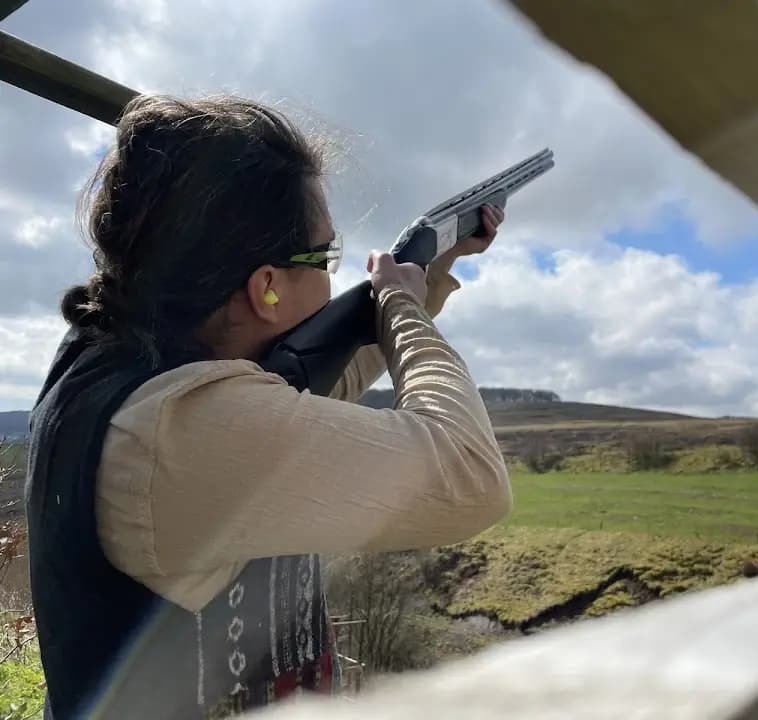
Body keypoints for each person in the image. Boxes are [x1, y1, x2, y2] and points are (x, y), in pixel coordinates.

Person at [24, 95, 512, 719]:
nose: (337, 278)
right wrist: (402, 307)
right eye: (327, 257)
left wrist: (433, 267)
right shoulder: (178, 431)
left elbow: (316, 386)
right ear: (267, 288)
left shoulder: (128, 360)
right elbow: (470, 475)